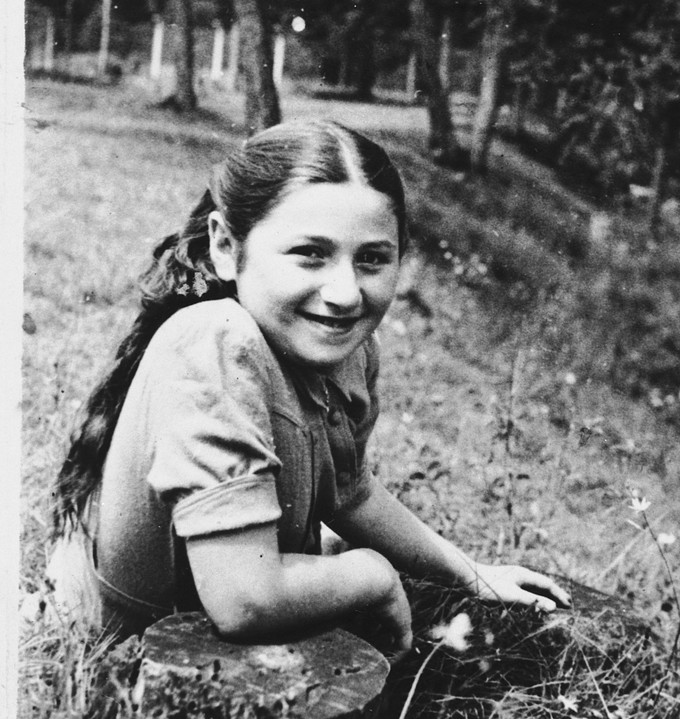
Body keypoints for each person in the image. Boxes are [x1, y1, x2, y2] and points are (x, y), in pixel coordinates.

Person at [46, 120, 570, 659]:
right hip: (130, 663)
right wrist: (371, 575)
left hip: (231, 639)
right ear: (227, 246)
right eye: (309, 254)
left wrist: (471, 574)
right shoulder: (216, 341)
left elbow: (349, 492)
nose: (344, 294)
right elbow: (245, 598)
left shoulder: (345, 350)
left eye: (371, 259)